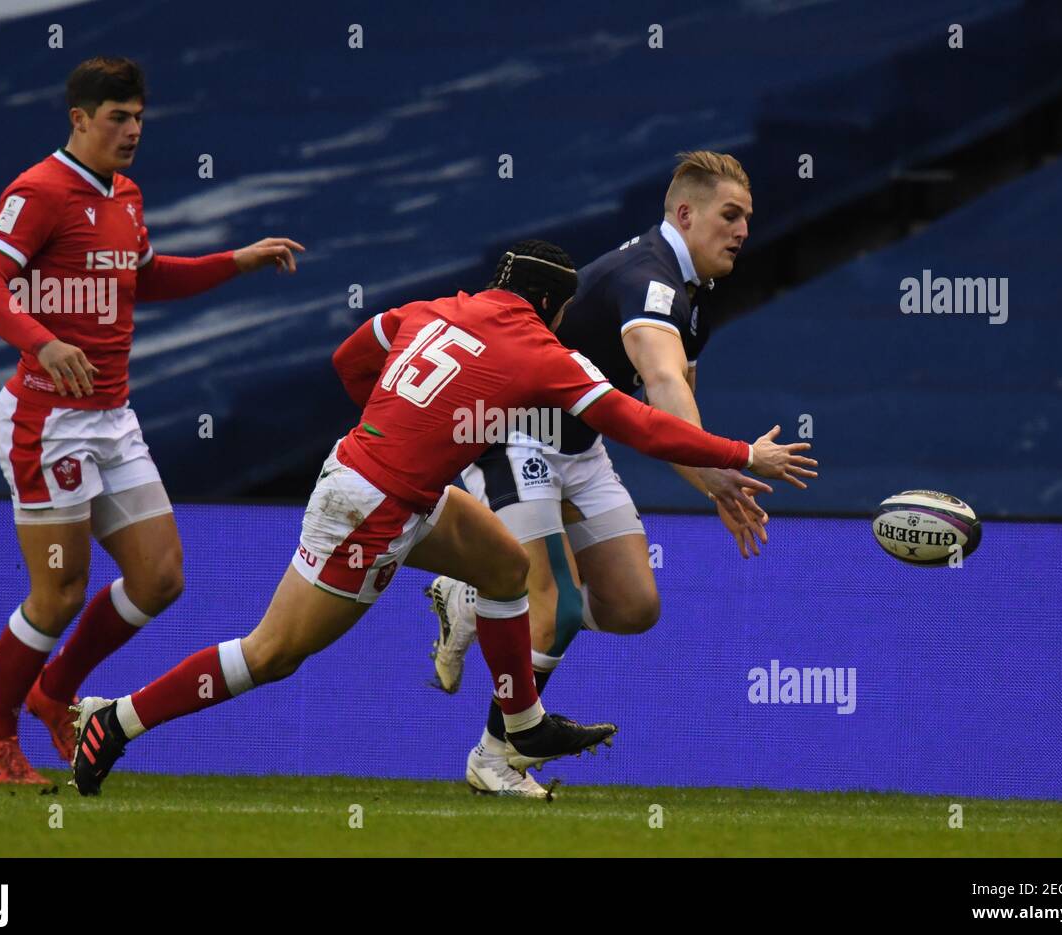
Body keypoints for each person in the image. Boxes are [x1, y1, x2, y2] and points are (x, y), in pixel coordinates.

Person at [69, 240, 816, 796]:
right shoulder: (539, 350)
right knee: (271, 654)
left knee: (504, 567)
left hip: (395, 485)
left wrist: (407, 427)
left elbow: (349, 359)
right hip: (371, 509)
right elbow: (643, 426)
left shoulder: (434, 308)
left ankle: (519, 723)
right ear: (554, 308)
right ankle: (118, 718)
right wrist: (744, 452)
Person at [427, 152, 818, 797]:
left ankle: (472, 594)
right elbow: (663, 383)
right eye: (730, 215)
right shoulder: (649, 281)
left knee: (633, 606)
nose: (744, 230)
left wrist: (714, 483)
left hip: (579, 449)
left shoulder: (694, 298)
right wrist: (732, 460)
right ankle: (495, 758)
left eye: (748, 217)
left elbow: (673, 410)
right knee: (553, 604)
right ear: (685, 214)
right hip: (515, 434)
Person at [0, 56, 303, 784]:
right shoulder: (40, 190)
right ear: (79, 118)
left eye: (140, 117)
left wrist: (233, 261)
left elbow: (142, 276)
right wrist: (43, 341)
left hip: (112, 418)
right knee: (57, 592)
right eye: (118, 117)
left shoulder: (126, 193)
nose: (132, 130)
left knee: (161, 577)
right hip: (46, 421)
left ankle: (53, 694)